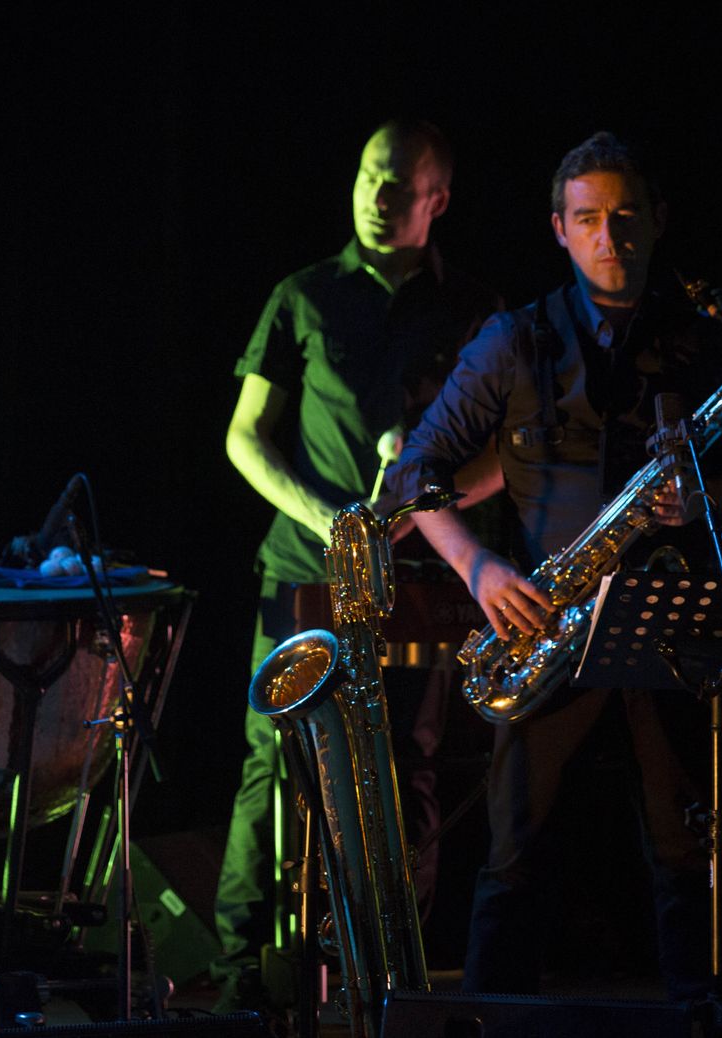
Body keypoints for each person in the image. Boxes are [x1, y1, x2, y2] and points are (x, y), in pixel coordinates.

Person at [387, 131, 722, 999]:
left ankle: (704, 1021)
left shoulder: (702, 342)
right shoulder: (513, 340)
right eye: (588, 219)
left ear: (658, 221)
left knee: (686, 859)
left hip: (674, 629)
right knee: (514, 859)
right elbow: (415, 474)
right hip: (549, 622)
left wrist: (705, 501)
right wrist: (479, 571)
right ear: (559, 228)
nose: (610, 237)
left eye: (626, 218)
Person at [217, 118, 500, 1007]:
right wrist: (335, 521)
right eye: (370, 178)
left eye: (400, 187)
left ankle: (387, 975)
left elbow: (506, 451)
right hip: (302, 564)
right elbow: (244, 439)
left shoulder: (473, 312)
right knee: (274, 755)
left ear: (437, 201)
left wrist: (409, 521)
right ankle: (240, 976)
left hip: (414, 572)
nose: (378, 200)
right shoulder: (302, 295)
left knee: (405, 762)